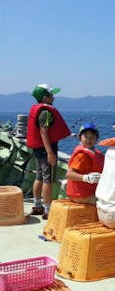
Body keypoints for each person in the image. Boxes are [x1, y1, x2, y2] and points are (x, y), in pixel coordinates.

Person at [26, 84, 71, 219]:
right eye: (52, 95)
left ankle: (37, 205)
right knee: (48, 179)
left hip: (38, 150)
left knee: (39, 176)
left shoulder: (37, 109)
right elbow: (44, 132)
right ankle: (47, 210)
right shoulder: (45, 112)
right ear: (45, 98)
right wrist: (50, 152)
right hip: (46, 150)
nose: (54, 98)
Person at [65, 123, 104, 205]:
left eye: (92, 137)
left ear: (97, 139)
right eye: (86, 137)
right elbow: (69, 174)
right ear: (80, 138)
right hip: (80, 194)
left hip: (88, 191)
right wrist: (86, 178)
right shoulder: (81, 155)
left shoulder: (97, 154)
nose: (89, 140)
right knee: (107, 203)